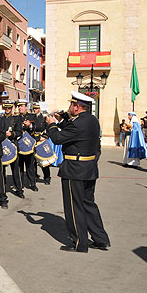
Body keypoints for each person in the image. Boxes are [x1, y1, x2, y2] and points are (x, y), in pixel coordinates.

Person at [46, 92, 110, 253]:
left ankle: (79, 242)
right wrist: (64, 119)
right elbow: (73, 129)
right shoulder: (92, 120)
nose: (69, 108)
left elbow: (58, 138)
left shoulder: (77, 123)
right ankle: (101, 239)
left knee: (74, 207)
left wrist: (52, 124)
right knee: (89, 204)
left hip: (74, 169)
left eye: (71, 105)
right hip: (89, 168)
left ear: (77, 106)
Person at [2, 100, 25, 198]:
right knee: (1, 169)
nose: (7, 110)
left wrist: (12, 134)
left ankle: (19, 189)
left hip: (13, 145)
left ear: (11, 108)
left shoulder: (16, 119)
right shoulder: (0, 118)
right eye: (6, 108)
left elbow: (19, 132)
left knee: (16, 168)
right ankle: (1, 188)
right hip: (2, 145)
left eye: (9, 108)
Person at [18, 100, 38, 191]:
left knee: (30, 166)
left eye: (22, 106)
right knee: (19, 166)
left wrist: (30, 125)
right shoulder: (16, 117)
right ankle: (20, 183)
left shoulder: (31, 116)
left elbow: (37, 127)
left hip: (29, 145)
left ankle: (32, 183)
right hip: (19, 145)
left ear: (26, 107)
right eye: (19, 106)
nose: (20, 108)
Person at [31, 103, 51, 185]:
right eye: (34, 108)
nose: (34, 110)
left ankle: (47, 177)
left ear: (39, 109)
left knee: (43, 160)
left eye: (36, 108)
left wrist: (45, 136)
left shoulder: (44, 118)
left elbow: (49, 129)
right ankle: (34, 176)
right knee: (33, 160)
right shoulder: (31, 117)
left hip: (41, 139)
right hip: (33, 139)